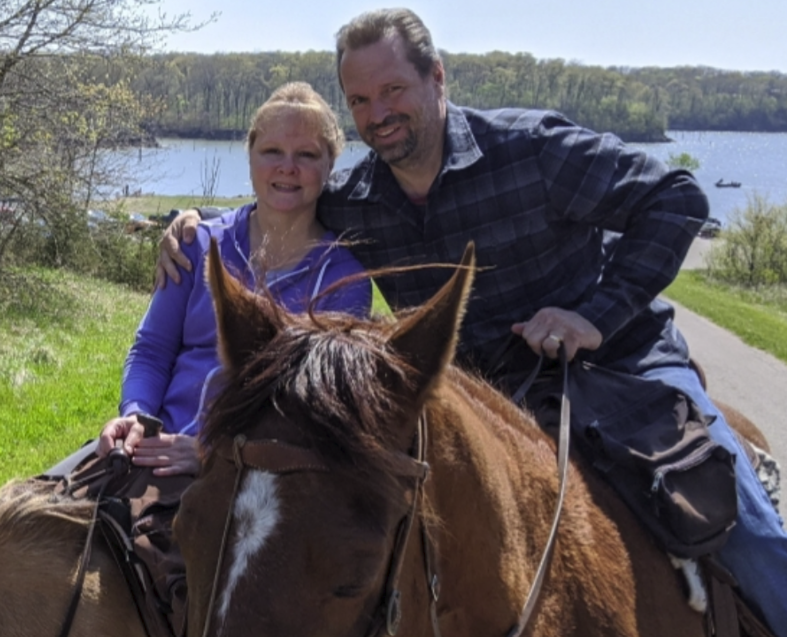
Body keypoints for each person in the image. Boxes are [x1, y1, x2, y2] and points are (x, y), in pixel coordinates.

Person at [157, 9, 786, 634]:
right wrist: (193, 222)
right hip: (486, 404)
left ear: (437, 77)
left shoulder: (534, 150)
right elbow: (285, 197)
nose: (378, 113)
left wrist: (593, 316)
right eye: (360, 100)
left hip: (622, 371)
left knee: (750, 537)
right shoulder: (360, 201)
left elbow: (676, 198)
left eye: (393, 89)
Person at [99, 81, 371, 475]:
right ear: (250, 156)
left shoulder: (343, 280)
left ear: (330, 165)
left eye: (307, 154)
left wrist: (214, 455)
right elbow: (152, 349)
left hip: (255, 478)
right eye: (272, 151)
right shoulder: (196, 244)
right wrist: (137, 416)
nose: (287, 167)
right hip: (153, 446)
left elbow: (319, 412)